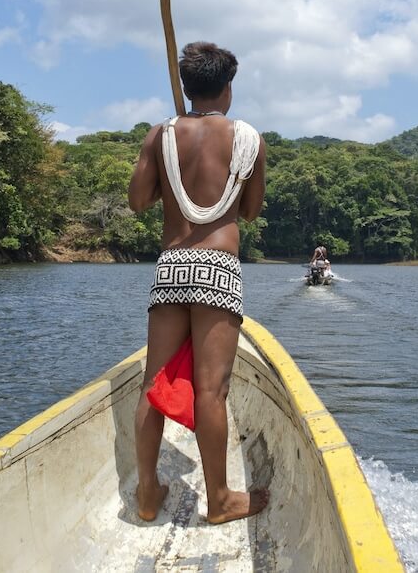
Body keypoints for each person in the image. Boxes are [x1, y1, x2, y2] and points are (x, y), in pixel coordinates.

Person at [127, 41, 269, 525]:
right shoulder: (249, 139)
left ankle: (147, 495)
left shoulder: (159, 136)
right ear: (227, 88)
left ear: (186, 87)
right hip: (218, 269)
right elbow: (248, 211)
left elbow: (137, 201)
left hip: (170, 268)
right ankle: (221, 499)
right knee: (212, 392)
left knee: (152, 384)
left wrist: (172, 160)